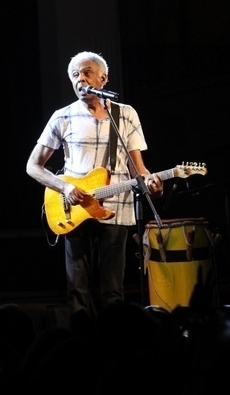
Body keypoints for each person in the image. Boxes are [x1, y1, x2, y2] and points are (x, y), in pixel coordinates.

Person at [26, 50, 164, 324]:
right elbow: (33, 166)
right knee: (77, 289)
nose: (80, 79)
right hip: (74, 211)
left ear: (104, 78)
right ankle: (80, 344)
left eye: (87, 72)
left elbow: (139, 169)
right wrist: (64, 188)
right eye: (75, 75)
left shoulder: (125, 115)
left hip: (117, 208)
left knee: (112, 288)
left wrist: (152, 183)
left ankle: (113, 341)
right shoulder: (62, 117)